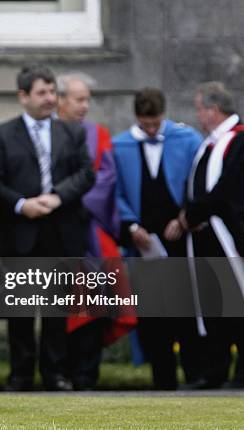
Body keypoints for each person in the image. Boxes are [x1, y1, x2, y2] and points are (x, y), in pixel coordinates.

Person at [0, 64, 95, 391]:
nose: (50, 99)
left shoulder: (72, 132)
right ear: (23, 96)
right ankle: (20, 375)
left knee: (56, 311)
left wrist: (58, 197)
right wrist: (22, 204)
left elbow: (86, 174)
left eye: (52, 92)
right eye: (42, 93)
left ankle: (54, 374)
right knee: (19, 311)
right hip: (20, 231)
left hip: (62, 230)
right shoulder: (2, 134)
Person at [112, 87, 202, 389]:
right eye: (145, 124)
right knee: (152, 315)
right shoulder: (120, 145)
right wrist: (132, 225)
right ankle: (162, 380)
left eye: (155, 124)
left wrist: (184, 218)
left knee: (186, 311)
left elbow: (199, 184)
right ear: (137, 118)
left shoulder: (187, 140)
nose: (150, 129)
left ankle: (196, 375)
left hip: (181, 240)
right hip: (144, 244)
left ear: (163, 115)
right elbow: (117, 192)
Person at [56, 74, 136, 390]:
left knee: (96, 302)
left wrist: (63, 197)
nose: (85, 106)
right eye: (79, 99)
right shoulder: (46, 133)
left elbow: (105, 181)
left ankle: (86, 374)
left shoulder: (97, 135)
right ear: (61, 100)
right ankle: (58, 370)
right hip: (55, 231)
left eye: (87, 99)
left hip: (90, 232)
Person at [181, 81, 244, 388]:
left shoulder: (238, 140)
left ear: (213, 110)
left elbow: (225, 188)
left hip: (230, 236)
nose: (198, 115)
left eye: (200, 109)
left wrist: (191, 215)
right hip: (209, 236)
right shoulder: (211, 143)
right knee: (216, 304)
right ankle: (216, 369)